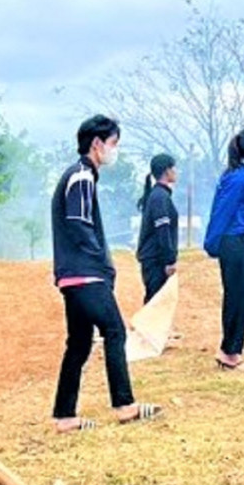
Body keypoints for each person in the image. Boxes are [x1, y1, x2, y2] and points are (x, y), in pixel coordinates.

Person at [49, 115, 162, 431]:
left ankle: (65, 416)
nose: (115, 150)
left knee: (79, 342)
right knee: (115, 331)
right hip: (86, 274)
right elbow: (79, 225)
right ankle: (125, 405)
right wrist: (101, 261)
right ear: (97, 144)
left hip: (73, 274)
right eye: (113, 143)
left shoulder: (80, 175)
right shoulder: (82, 177)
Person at [204, 129, 244, 371]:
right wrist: (212, 243)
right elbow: (222, 210)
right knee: (240, 297)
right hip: (236, 242)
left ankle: (231, 349)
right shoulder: (238, 178)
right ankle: (229, 351)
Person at [135, 153, 180, 303]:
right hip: (156, 260)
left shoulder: (158, 195)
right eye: (174, 168)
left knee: (156, 302)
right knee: (155, 304)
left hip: (154, 258)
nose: (176, 171)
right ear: (167, 171)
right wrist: (169, 260)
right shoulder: (160, 197)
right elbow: (163, 231)